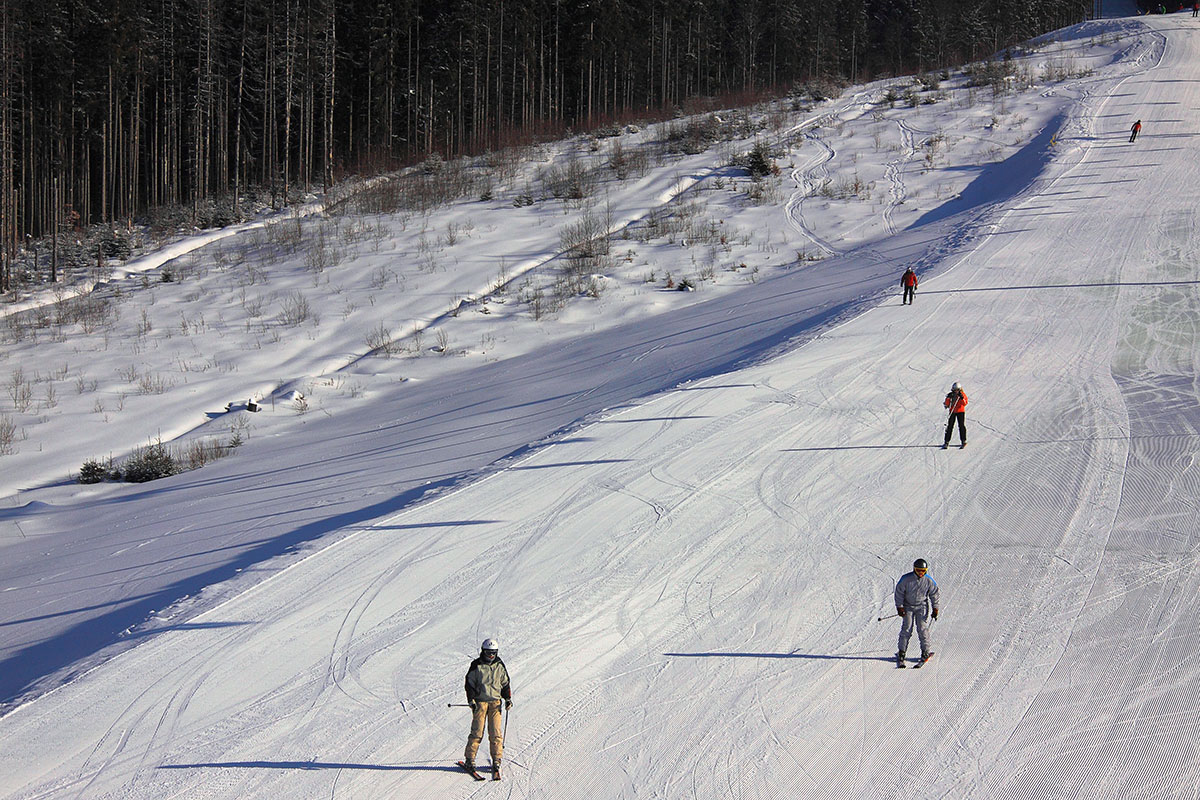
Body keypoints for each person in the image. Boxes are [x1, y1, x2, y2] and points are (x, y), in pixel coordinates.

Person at [463, 638, 513, 780]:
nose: (491, 656)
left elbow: (505, 683)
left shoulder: (499, 665)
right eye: (488, 653)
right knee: (477, 732)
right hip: (480, 703)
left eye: (493, 653)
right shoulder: (476, 665)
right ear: (483, 651)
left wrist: (507, 699)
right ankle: (470, 759)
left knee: (495, 732)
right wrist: (471, 700)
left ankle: (497, 760)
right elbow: (470, 684)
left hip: (495, 703)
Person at [895, 558, 940, 667]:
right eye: (918, 570)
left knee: (922, 628)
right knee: (907, 628)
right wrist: (900, 607)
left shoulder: (928, 580)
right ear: (914, 569)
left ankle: (925, 652)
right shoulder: (906, 579)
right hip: (908, 606)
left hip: (922, 606)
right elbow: (899, 592)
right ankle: (902, 652)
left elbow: (934, 594)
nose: (921, 573)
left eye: (923, 571)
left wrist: (935, 608)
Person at [942, 382, 968, 449]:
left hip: (960, 411)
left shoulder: (962, 395)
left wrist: (961, 398)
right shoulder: (951, 395)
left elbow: (965, 403)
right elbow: (947, 404)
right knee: (950, 426)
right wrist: (948, 398)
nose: (955, 391)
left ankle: (963, 440)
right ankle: (946, 441)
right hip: (952, 411)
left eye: (957, 390)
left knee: (961, 426)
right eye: (954, 390)